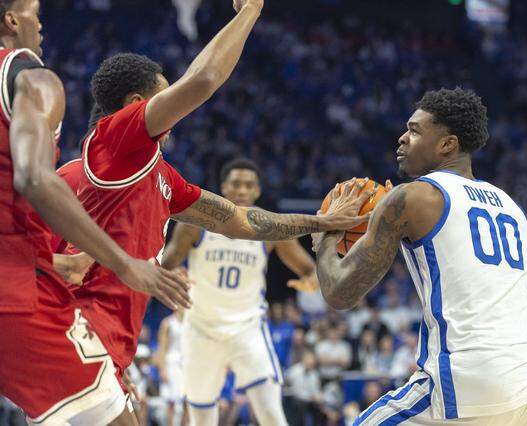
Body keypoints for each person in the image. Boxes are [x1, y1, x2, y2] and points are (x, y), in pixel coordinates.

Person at [61, 0, 369, 418]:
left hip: (109, 347)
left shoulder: (163, 178)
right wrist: (249, 12)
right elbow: (204, 78)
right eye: (164, 92)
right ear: (137, 103)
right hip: (82, 337)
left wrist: (321, 221)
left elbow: (242, 220)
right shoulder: (113, 140)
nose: (173, 104)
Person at [314, 88, 527, 425]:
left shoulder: (413, 198)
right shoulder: (510, 205)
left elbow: (340, 293)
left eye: (414, 131)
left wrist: (325, 237)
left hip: (469, 381)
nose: (401, 138)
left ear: (447, 144)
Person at [0, 1, 191, 425]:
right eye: (33, 10)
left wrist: (65, 261)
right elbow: (33, 178)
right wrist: (124, 264)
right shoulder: (30, 76)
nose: (41, 22)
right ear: (12, 20)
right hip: (15, 294)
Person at [160, 158, 326, 426]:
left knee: (271, 413)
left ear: (257, 191)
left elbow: (309, 269)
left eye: (248, 185)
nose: (241, 190)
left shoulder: (269, 226)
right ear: (224, 187)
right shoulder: (196, 223)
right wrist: (172, 275)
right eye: (236, 184)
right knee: (201, 419)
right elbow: (165, 266)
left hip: (247, 328)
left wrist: (310, 282)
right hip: (201, 327)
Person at [156, 309, 188, 426]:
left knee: (187, 401)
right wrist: (162, 368)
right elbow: (162, 347)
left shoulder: (190, 322)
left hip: (185, 365)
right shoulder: (168, 323)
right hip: (171, 364)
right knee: (172, 402)